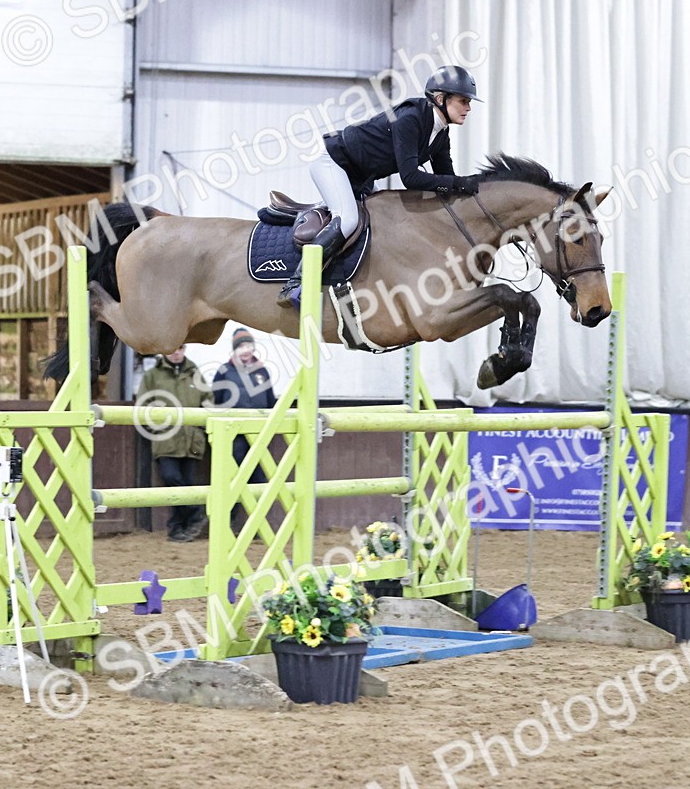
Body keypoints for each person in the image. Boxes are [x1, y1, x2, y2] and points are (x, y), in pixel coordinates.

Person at [278, 65, 483, 307]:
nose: (468, 108)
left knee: (379, 227)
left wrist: (471, 195)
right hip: (333, 163)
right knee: (348, 221)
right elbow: (411, 178)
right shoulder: (411, 119)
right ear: (440, 99)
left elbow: (446, 180)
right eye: (463, 101)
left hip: (360, 177)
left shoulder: (440, 135)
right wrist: (460, 184)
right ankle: (295, 283)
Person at [137, 345, 212, 542]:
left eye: (180, 348)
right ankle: (195, 514)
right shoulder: (152, 376)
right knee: (172, 478)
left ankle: (178, 528)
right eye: (172, 349)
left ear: (185, 349)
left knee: (187, 483)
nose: (176, 352)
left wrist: (201, 429)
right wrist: (156, 429)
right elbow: (142, 405)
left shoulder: (195, 373)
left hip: (191, 440)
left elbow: (208, 402)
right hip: (165, 441)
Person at [211, 328, 275, 493]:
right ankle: (229, 517)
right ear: (235, 349)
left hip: (259, 433)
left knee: (259, 477)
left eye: (248, 346)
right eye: (241, 346)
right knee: (233, 476)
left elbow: (270, 400)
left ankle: (258, 516)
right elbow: (215, 400)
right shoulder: (224, 371)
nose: (245, 350)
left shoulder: (262, 371)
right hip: (234, 434)